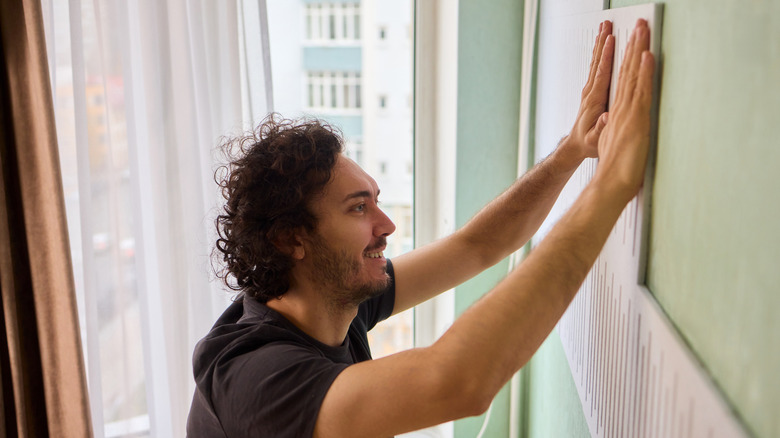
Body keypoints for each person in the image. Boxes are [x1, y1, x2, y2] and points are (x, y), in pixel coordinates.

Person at [187, 19, 655, 438]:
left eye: (376, 202)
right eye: (357, 209)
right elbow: (456, 383)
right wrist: (612, 184)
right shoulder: (256, 378)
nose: (386, 226)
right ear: (292, 239)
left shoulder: (332, 302)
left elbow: (477, 246)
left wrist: (573, 150)